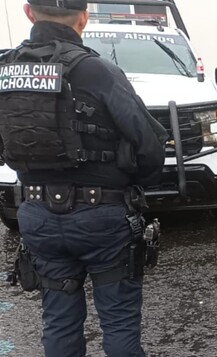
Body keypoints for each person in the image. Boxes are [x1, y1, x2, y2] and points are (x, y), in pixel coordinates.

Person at [0, 1, 167, 356]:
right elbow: (150, 145)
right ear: (84, 17)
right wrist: (136, 185)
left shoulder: (3, 71)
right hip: (103, 215)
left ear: (29, 13)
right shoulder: (98, 72)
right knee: (119, 322)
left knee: (58, 321)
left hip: (37, 214)